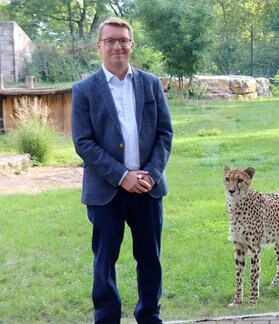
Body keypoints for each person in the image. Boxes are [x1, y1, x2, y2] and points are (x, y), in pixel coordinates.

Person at [71, 17, 173, 324]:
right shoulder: (85, 90)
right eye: (111, 40)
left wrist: (150, 174)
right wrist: (121, 176)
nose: (118, 46)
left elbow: (164, 134)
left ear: (131, 44)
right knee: (104, 263)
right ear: (99, 45)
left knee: (150, 259)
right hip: (106, 191)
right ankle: (106, 318)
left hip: (147, 188)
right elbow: (83, 142)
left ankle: (150, 316)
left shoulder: (151, 84)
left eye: (123, 40)